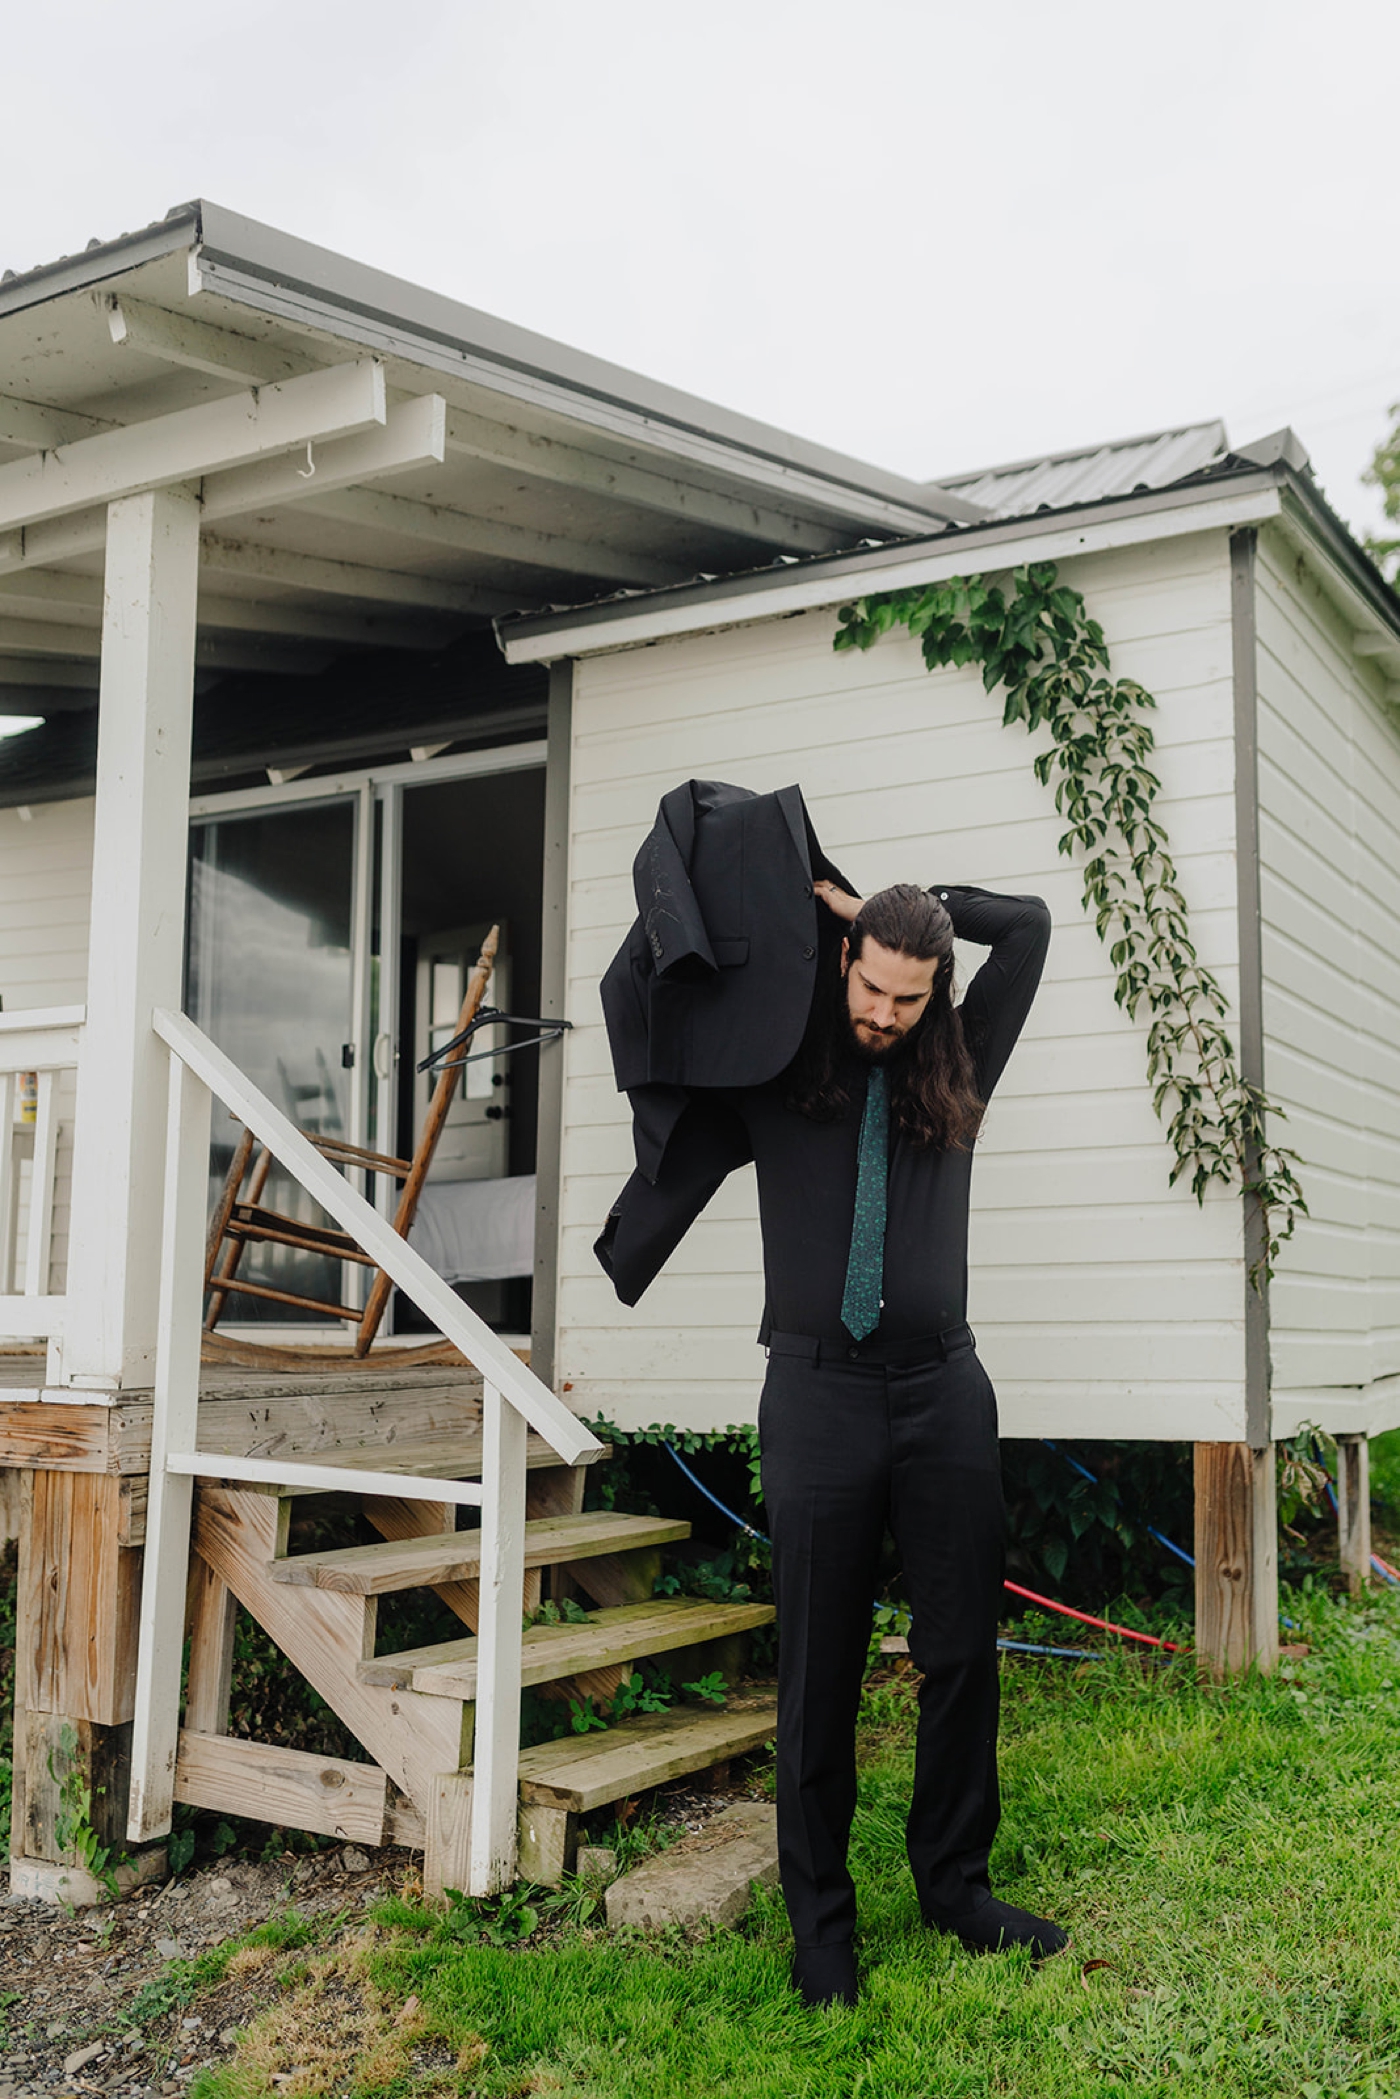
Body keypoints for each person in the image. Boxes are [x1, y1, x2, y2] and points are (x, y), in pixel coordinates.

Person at [598, 855, 1061, 2005]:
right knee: (818, 1668)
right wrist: (821, 928)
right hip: (815, 1393)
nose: (883, 1016)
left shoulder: (956, 1056)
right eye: (869, 988)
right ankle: (821, 1932)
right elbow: (656, 988)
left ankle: (953, 1885)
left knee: (958, 1651)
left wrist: (899, 907)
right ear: (840, 965)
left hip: (943, 1390)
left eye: (908, 997)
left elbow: (1032, 924)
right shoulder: (778, 1055)